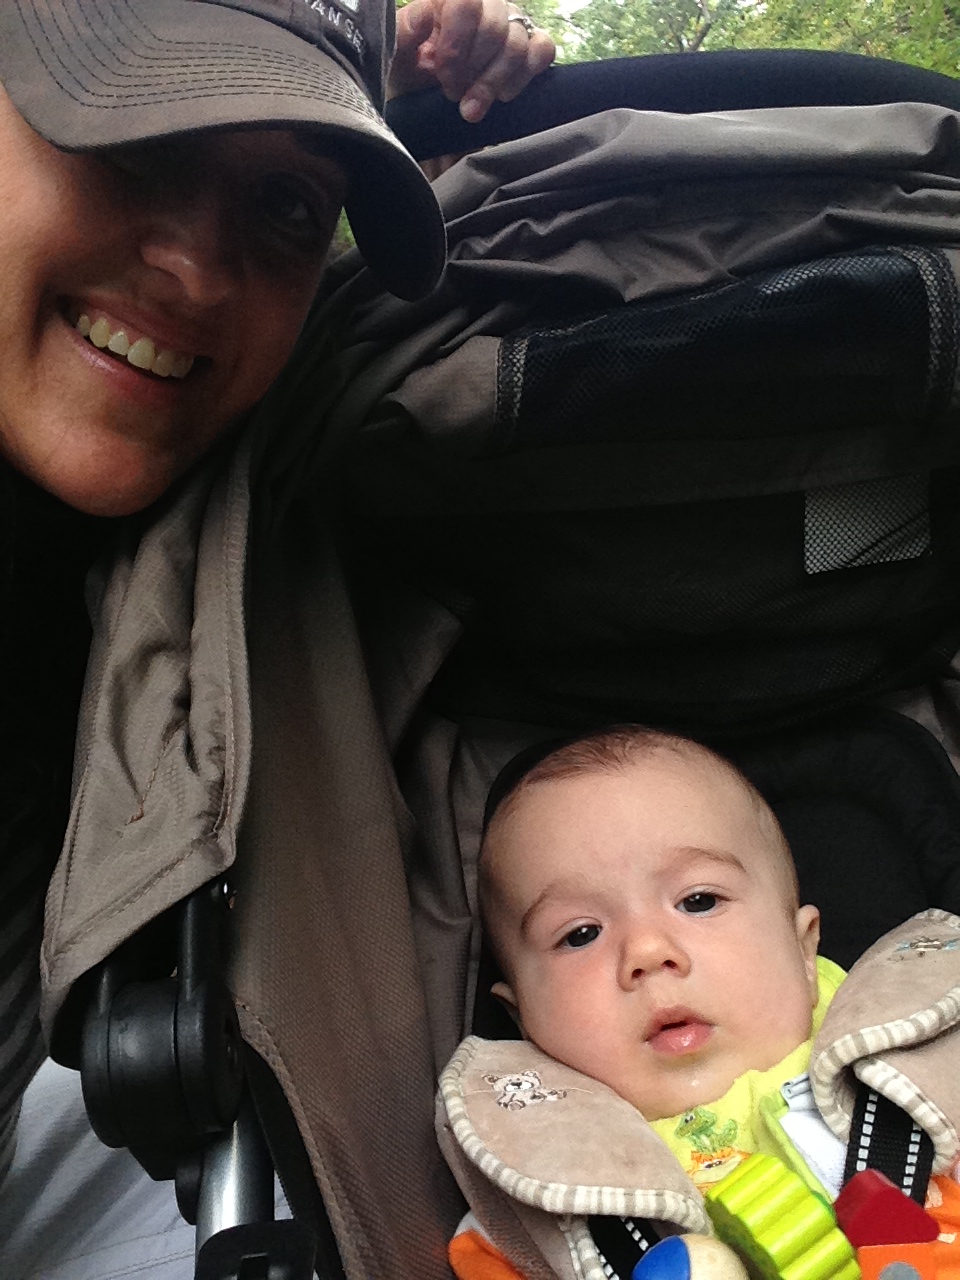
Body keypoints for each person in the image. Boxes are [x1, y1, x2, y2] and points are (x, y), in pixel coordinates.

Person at [0, 0, 554, 1273]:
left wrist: (397, 96)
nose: (198, 270)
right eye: (134, 142)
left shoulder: (192, 510)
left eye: (289, 206)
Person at [441, 725, 960, 1278]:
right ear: (523, 1019)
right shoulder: (538, 1193)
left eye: (698, 900)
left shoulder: (921, 1069)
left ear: (804, 952)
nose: (647, 951)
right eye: (581, 934)